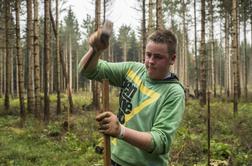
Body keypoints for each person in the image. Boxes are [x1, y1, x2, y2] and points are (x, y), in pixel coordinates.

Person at [79, 27, 185, 166]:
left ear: (172, 59)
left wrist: (121, 131)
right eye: (148, 55)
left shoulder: (174, 92)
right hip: (114, 159)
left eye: (158, 57)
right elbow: (89, 71)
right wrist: (95, 50)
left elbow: (161, 141)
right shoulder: (133, 70)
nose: (151, 61)